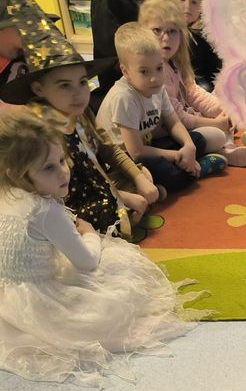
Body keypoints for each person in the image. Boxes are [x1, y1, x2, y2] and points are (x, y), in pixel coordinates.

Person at [0, 111, 205, 385]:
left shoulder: (6, 196)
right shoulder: (46, 211)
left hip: (7, 297)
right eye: (49, 168)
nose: (63, 171)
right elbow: (86, 262)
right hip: (42, 303)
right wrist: (89, 234)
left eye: (61, 160)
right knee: (118, 269)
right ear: (17, 175)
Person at [0, 24, 159, 238]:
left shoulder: (81, 113)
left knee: (143, 174)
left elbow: (108, 149)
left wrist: (138, 179)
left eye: (82, 82)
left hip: (98, 185)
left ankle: (127, 210)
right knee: (108, 211)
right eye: (65, 86)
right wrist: (121, 198)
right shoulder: (42, 131)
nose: (78, 93)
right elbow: (56, 193)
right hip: (69, 202)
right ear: (39, 89)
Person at [97, 23, 227, 196]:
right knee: (163, 171)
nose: (155, 78)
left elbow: (174, 123)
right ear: (125, 71)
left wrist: (188, 146)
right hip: (126, 160)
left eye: (159, 68)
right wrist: (177, 155)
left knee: (208, 137)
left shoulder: (158, 87)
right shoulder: (124, 97)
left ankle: (188, 166)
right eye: (144, 72)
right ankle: (197, 168)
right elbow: (136, 152)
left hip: (150, 147)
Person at [139, 0, 246, 166]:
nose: (166, 38)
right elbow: (176, 118)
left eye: (172, 31)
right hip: (166, 134)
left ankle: (228, 144)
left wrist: (222, 110)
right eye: (157, 30)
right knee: (215, 134)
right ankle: (223, 149)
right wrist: (216, 124)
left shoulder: (175, 62)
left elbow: (193, 92)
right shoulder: (155, 71)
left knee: (224, 104)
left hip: (184, 123)